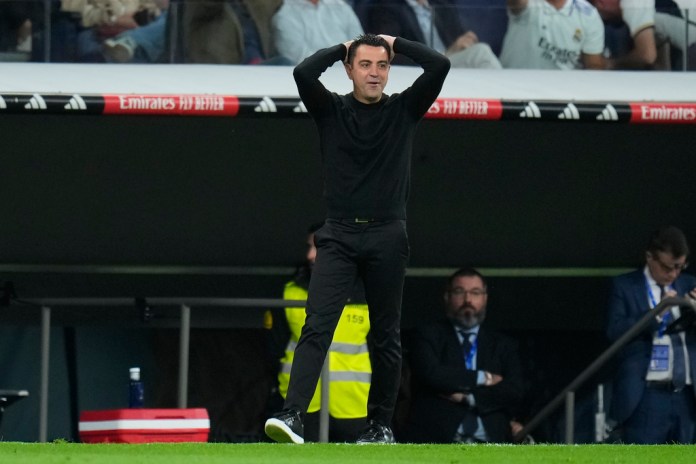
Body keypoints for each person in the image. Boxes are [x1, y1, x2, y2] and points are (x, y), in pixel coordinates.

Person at [264, 33, 450, 444]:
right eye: (365, 65)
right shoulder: (330, 108)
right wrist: (339, 48)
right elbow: (302, 72)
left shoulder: (404, 108)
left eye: (382, 66)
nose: (375, 73)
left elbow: (439, 65)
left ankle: (380, 426)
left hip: (387, 233)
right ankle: (293, 414)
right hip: (339, 233)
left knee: (385, 334)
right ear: (349, 70)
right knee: (317, 326)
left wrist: (395, 42)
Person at [267, 222, 372, 442]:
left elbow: (384, 352)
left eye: (319, 247)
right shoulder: (290, 290)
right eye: (309, 247)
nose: (310, 255)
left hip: (356, 404)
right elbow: (273, 348)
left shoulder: (369, 292)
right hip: (300, 406)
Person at [403, 268, 526, 443]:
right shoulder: (428, 334)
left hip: (491, 440)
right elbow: (432, 375)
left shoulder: (503, 345)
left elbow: (514, 390)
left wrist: (468, 398)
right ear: (447, 297)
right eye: (460, 292)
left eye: (475, 293)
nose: (467, 300)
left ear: (485, 298)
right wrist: (483, 377)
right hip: (437, 438)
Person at [606, 225, 696, 444]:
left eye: (680, 267)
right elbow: (614, 333)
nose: (673, 274)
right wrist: (656, 313)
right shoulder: (625, 286)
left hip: (687, 393)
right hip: (647, 393)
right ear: (649, 257)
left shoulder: (690, 284)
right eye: (667, 267)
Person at [363, 0, 502, 69]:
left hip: (452, 67)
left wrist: (467, 43)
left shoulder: (441, 5)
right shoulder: (387, 7)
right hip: (421, 69)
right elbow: (388, 53)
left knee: (478, 54)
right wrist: (444, 54)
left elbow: (460, 42)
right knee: (481, 53)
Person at [500, 0, 607, 69]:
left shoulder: (588, 13)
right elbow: (516, 4)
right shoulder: (528, 3)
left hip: (562, 93)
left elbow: (594, 66)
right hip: (515, 86)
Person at [271, 0, 364, 65]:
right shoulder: (284, 15)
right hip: (314, 81)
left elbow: (361, 46)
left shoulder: (342, 7)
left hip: (353, 75)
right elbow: (301, 60)